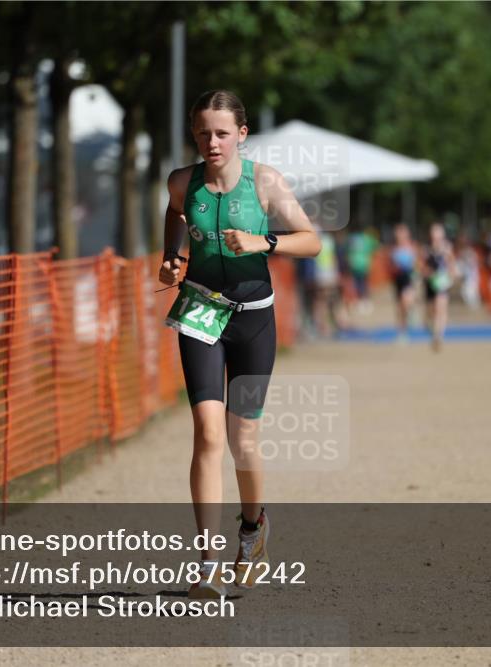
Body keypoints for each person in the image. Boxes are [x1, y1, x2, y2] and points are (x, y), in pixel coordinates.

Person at [159, 90, 321, 599]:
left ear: (242, 135)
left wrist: (262, 242)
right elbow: (175, 213)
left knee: (242, 439)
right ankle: (207, 562)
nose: (212, 142)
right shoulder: (182, 181)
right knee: (208, 434)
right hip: (201, 311)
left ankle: (252, 528)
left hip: (253, 320)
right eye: (203, 133)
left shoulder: (265, 182)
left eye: (222, 133)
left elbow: (311, 240)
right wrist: (171, 255)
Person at [420, 223, 456, 351]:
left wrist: (451, 275)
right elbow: (421, 266)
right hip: (430, 283)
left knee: (441, 307)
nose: (436, 236)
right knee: (431, 311)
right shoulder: (426, 249)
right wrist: (426, 273)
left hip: (442, 282)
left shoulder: (447, 247)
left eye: (438, 233)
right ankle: (432, 328)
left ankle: (439, 336)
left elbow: (452, 262)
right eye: (434, 233)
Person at [389, 222, 420, 341]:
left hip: (409, 278)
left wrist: (416, 274)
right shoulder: (394, 248)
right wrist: (394, 267)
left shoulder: (412, 247)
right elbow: (391, 266)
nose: (400, 236)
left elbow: (417, 263)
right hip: (398, 280)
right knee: (400, 307)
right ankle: (402, 332)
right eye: (398, 233)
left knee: (406, 301)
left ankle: (412, 312)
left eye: (402, 233)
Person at [346, 226, 380, 314]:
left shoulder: (351, 238)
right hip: (364, 264)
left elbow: (347, 250)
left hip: (355, 264)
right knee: (365, 284)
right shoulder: (366, 238)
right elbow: (376, 246)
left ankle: (361, 301)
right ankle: (366, 301)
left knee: (358, 284)